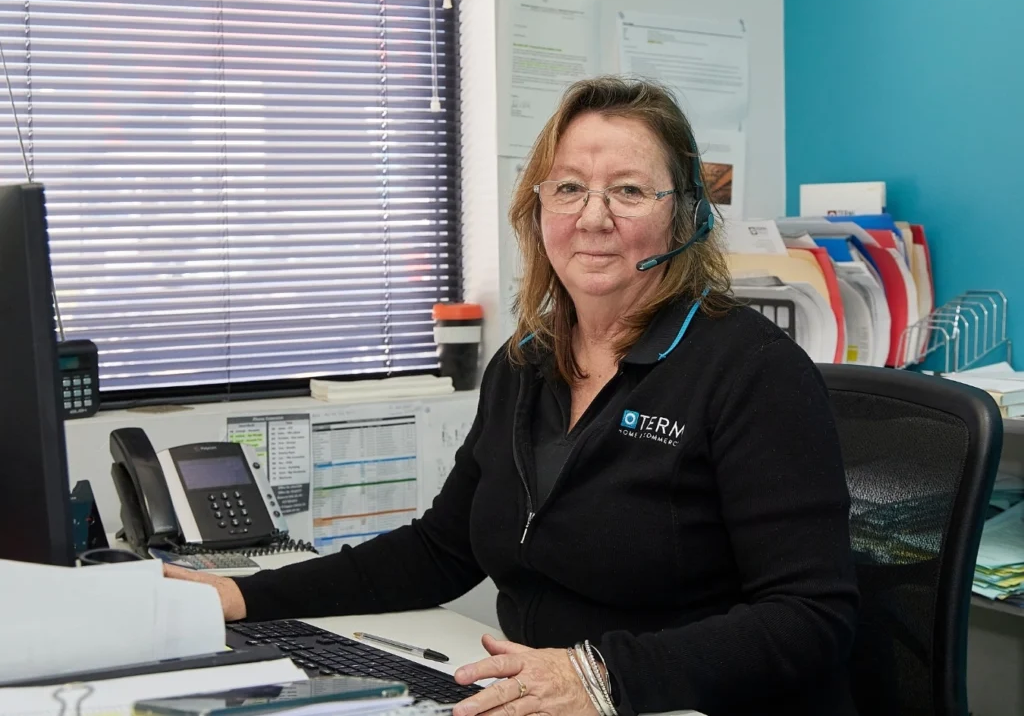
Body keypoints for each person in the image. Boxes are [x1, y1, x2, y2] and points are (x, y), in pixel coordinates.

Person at [166, 76, 859, 716]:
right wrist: (244, 595)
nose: (593, 217)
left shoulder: (753, 373)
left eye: (628, 190)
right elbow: (440, 549)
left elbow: (811, 617)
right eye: (568, 188)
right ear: (537, 209)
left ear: (684, 217)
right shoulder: (527, 362)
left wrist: (600, 674)